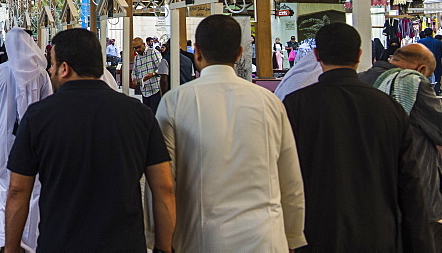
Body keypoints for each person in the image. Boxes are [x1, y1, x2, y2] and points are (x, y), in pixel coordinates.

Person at [5, 28, 175, 252]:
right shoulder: (138, 114)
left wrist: (11, 248)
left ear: (64, 68)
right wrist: (164, 248)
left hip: (60, 243)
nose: (50, 70)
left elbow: (18, 190)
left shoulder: (38, 117)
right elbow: (164, 188)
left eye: (53, 64)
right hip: (125, 245)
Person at [156, 15, 306, 251]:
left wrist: (159, 239)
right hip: (265, 239)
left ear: (196, 52)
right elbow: (290, 179)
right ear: (239, 53)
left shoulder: (175, 101)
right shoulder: (269, 102)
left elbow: (164, 183)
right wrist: (293, 235)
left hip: (200, 239)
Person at [284, 22, 430, 251]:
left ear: (317, 55)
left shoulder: (296, 105)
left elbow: (286, 176)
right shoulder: (389, 107)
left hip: (314, 233)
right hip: (377, 233)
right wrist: (421, 244)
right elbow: (410, 184)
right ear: (359, 55)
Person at [359, 42, 442, 248]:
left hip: (371, 180)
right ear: (421, 69)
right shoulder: (414, 82)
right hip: (414, 179)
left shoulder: (362, 79)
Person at [0, 27, 53, 252]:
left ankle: (6, 238)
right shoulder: (41, 74)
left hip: (5, 137)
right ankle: (30, 239)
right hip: (36, 139)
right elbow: (49, 108)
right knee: (34, 188)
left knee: (6, 186)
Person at [131, 37, 166, 113]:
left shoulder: (153, 52)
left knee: (155, 114)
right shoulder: (136, 58)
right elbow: (134, 72)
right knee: (147, 115)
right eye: (135, 48)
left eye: (138, 47)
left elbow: (161, 67)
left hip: (155, 89)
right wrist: (134, 79)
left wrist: (153, 74)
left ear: (143, 44)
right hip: (145, 91)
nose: (137, 50)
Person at [418, 29, 442, 94]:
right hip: (436, 62)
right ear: (432, 33)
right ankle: (436, 91)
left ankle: (426, 91)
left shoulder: (420, 42)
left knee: (425, 77)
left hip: (424, 63)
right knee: (437, 77)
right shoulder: (438, 42)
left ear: (425, 34)